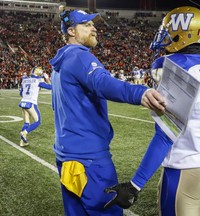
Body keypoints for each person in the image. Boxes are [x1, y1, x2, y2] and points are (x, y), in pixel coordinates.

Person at [104, 6, 200, 216]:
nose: (164, 39)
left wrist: (135, 184)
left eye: (168, 33)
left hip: (186, 172)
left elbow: (165, 136)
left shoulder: (177, 67)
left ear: (183, 34)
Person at [49, 8, 166, 216]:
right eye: (86, 24)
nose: (93, 28)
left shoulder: (60, 62)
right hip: (89, 161)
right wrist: (140, 93)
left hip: (67, 156)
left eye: (92, 24)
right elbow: (102, 82)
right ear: (71, 31)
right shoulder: (80, 57)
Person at [18, 66, 51, 147]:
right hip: (31, 103)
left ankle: (23, 142)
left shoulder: (25, 80)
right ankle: (24, 133)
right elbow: (51, 87)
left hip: (23, 102)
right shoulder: (38, 80)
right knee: (37, 121)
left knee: (26, 122)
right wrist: (47, 79)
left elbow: (21, 93)